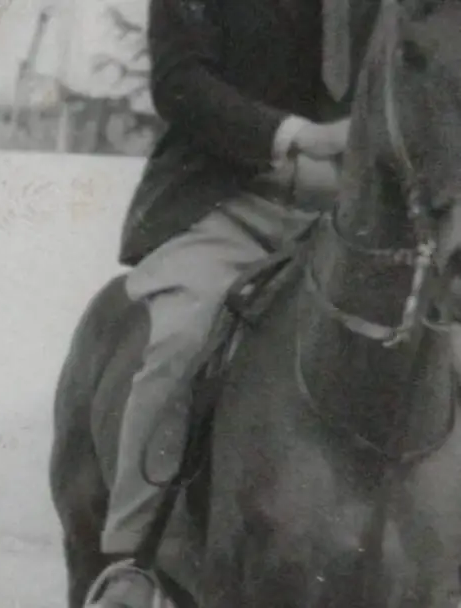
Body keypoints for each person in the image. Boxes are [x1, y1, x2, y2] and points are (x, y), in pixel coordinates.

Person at [94, 0, 366, 605]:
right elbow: (179, 83)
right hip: (224, 203)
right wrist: (300, 136)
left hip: (354, 221)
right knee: (183, 338)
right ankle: (132, 557)